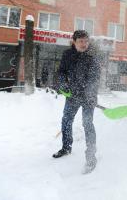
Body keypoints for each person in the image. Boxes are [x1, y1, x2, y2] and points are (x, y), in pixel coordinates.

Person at [53, 30, 100, 173]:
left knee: (87, 123)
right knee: (66, 120)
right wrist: (62, 84)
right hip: (72, 95)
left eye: (86, 41)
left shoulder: (92, 57)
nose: (84, 44)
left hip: (88, 97)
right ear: (74, 41)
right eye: (81, 41)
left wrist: (89, 94)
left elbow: (94, 78)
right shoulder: (67, 55)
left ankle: (91, 156)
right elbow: (61, 72)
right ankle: (66, 147)